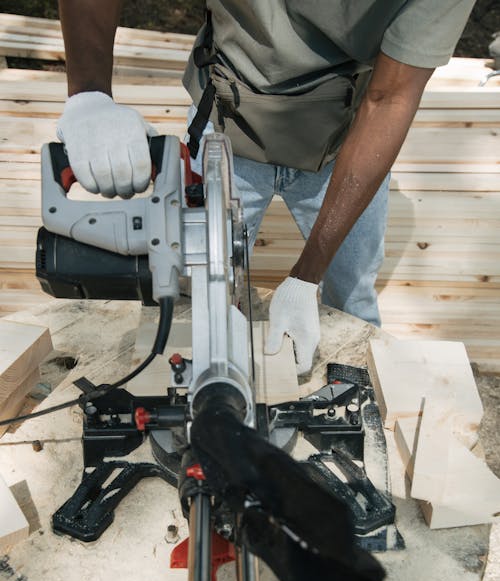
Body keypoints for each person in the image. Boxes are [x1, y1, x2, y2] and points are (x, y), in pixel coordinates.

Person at [56, 1, 475, 375]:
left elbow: (390, 98)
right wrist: (90, 94)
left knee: (352, 303)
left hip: (346, 138)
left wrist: (306, 278)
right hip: (226, 116)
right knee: (190, 299)